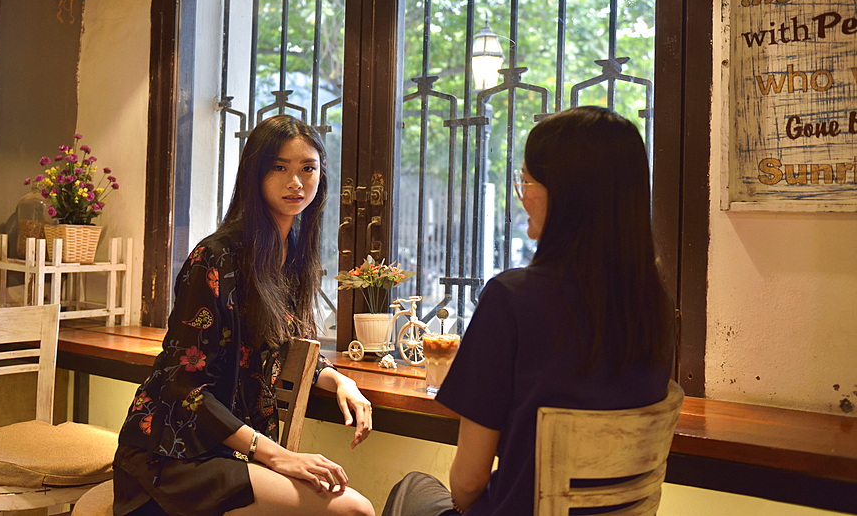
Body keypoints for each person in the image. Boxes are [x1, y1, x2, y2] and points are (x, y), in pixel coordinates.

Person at [383, 106, 676, 516]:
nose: (520, 194)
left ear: (566, 194)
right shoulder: (655, 306)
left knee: (411, 489)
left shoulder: (510, 300)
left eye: (526, 180)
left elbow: (467, 483)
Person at [114, 115, 375, 516]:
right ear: (256, 172)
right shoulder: (215, 257)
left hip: (234, 451)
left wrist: (340, 380)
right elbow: (183, 387)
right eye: (280, 167)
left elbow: (283, 343)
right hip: (173, 456)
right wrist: (275, 456)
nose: (296, 182)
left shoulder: (293, 255)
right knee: (353, 510)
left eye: (308, 168)